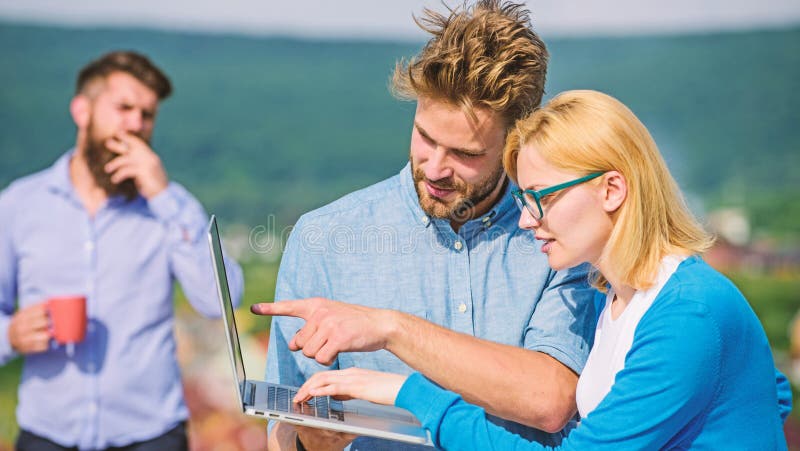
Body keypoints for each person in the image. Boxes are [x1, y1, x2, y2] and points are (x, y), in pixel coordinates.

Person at [291, 90, 794, 449]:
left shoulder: (688, 312)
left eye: (542, 198)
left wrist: (410, 392)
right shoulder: (621, 299)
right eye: (524, 198)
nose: (528, 219)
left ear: (612, 190)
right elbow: (772, 392)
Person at [252, 1, 598, 450]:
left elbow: (549, 400)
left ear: (518, 140)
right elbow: (284, 431)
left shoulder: (559, 236)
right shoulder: (323, 239)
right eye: (425, 137)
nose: (435, 168)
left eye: (465, 154)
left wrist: (393, 329)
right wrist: (312, 438)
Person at [0, 51, 244, 450]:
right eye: (124, 108)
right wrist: (9, 334)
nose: (136, 124)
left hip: (151, 435)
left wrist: (163, 195)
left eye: (147, 115)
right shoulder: (19, 205)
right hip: (46, 434)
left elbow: (222, 300)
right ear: (82, 110)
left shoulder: (171, 206)